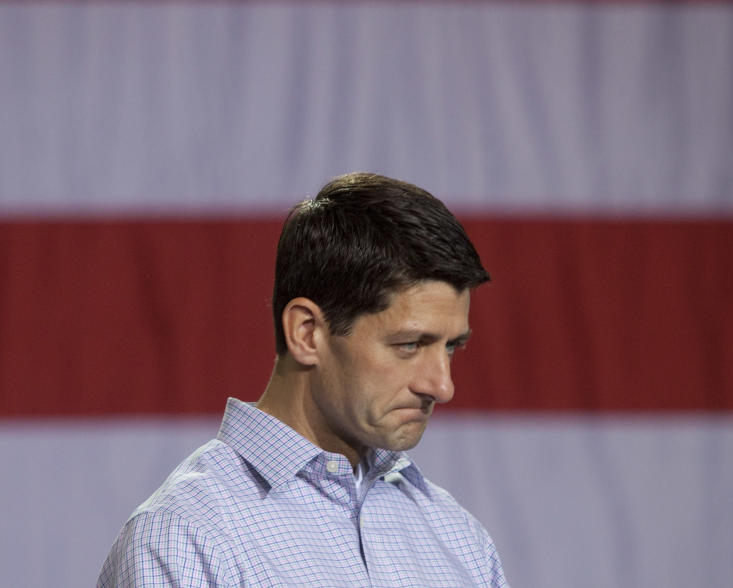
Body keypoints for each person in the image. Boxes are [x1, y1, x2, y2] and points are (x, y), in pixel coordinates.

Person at [98, 173, 509, 587]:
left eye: (451, 346)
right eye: (409, 345)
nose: (442, 386)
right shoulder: (184, 538)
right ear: (307, 333)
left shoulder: (461, 541)